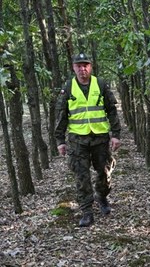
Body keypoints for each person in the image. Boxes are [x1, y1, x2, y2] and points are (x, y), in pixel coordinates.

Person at [55, 53, 121, 227]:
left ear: (90, 67)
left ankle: (102, 196)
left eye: (85, 65)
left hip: (100, 138)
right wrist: (60, 140)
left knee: (104, 173)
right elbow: (61, 116)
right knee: (81, 176)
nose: (82, 69)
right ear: (73, 68)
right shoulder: (68, 88)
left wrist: (116, 135)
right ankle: (87, 211)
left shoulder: (101, 85)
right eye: (79, 66)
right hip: (78, 140)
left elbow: (112, 111)